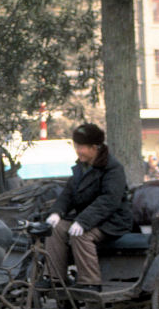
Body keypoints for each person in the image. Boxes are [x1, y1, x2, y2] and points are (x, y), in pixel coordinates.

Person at [41, 123, 133, 293]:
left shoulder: (113, 169)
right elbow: (67, 194)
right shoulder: (81, 168)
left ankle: (90, 282)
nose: (78, 151)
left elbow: (109, 200)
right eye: (76, 146)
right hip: (90, 219)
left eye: (81, 147)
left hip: (112, 221)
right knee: (56, 228)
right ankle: (55, 278)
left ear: (94, 148)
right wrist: (56, 213)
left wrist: (83, 221)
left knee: (80, 235)